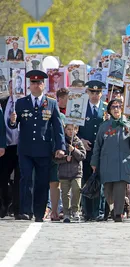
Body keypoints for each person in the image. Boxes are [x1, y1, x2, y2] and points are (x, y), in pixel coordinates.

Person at [8, 70, 65, 222]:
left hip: (43, 149)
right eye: (33, 83)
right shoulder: (21, 103)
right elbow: (13, 125)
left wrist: (60, 147)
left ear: (43, 85)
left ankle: (39, 212)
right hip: (26, 149)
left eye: (39, 82)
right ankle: (26, 210)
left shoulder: (51, 103)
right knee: (26, 179)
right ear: (29, 85)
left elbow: (58, 127)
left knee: (41, 181)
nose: (36, 85)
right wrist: (13, 121)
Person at [91, 99, 130, 222]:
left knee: (120, 189)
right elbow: (97, 146)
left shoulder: (128, 124)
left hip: (123, 163)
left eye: (118, 106)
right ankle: (113, 208)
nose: (116, 109)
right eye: (113, 107)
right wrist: (94, 162)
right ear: (110, 110)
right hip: (107, 163)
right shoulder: (104, 126)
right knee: (107, 190)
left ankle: (118, 214)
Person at [78, 80, 108, 221]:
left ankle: (99, 212)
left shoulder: (106, 109)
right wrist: (80, 140)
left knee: (100, 182)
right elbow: (72, 128)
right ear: (87, 92)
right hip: (86, 151)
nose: (95, 95)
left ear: (102, 93)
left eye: (98, 92)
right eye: (92, 92)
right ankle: (86, 211)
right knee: (86, 180)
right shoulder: (81, 107)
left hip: (101, 151)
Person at [54, 124, 86, 223]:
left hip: (76, 172)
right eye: (68, 129)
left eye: (73, 129)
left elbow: (82, 156)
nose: (70, 131)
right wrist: (64, 159)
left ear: (76, 130)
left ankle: (75, 210)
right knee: (65, 193)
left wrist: (74, 150)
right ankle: (66, 212)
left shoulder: (78, 142)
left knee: (77, 189)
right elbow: (55, 158)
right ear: (65, 130)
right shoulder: (61, 141)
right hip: (64, 173)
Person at [0, 82, 20, 219]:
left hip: (21, 147)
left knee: (20, 179)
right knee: (2, 178)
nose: (14, 89)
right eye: (12, 86)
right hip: (5, 147)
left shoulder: (24, 101)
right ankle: (3, 205)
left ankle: (18, 209)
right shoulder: (3, 101)